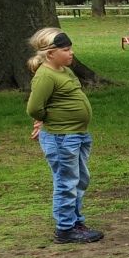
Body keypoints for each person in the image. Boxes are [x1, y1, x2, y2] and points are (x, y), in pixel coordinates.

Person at [25, 29, 103, 244]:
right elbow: (34, 108)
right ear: (50, 54)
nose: (71, 53)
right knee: (66, 182)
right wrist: (46, 121)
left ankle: (76, 221)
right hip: (61, 137)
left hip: (78, 135)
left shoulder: (64, 71)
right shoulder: (45, 76)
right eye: (66, 50)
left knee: (80, 180)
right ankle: (65, 229)